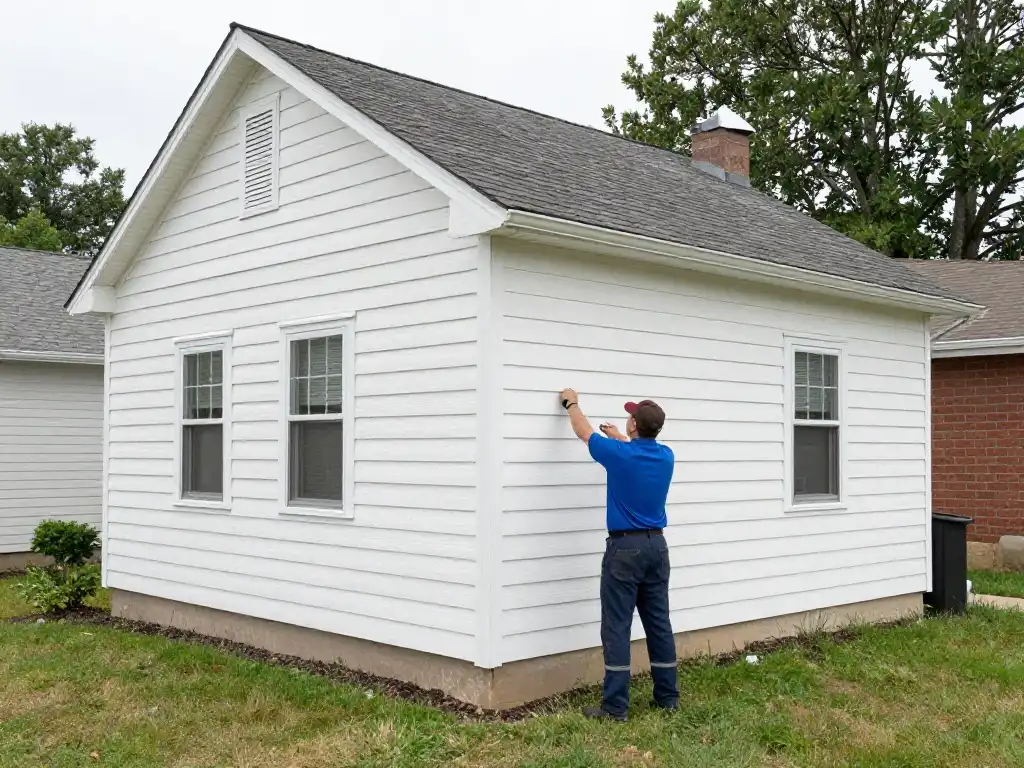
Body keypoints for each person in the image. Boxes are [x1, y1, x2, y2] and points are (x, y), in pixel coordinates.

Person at [559, 388, 679, 721]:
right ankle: (668, 698)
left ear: (634, 426)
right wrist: (621, 439)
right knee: (658, 623)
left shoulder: (619, 454)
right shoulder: (666, 456)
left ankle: (614, 707)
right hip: (657, 546)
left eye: (630, 417)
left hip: (625, 548)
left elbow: (584, 431)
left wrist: (572, 403)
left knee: (616, 626)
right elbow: (638, 455)